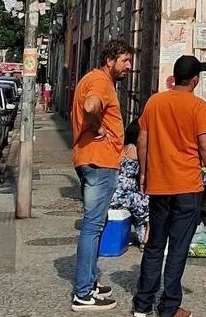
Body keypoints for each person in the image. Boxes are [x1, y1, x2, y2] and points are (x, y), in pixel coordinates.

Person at [132, 56, 206, 317]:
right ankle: (169, 307)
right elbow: (205, 145)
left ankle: (142, 304)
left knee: (154, 246)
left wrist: (144, 174)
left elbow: (142, 140)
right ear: (194, 80)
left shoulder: (154, 102)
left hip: (159, 186)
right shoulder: (197, 106)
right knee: (178, 249)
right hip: (187, 187)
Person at [70, 38, 134, 312]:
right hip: (99, 161)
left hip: (93, 160)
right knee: (93, 226)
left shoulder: (96, 79)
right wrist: (97, 128)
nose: (129, 66)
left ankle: (90, 282)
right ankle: (83, 293)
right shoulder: (100, 81)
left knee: (96, 222)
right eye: (124, 61)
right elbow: (90, 106)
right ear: (110, 60)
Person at [111, 120, 149, 247]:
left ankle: (142, 237)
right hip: (126, 194)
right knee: (149, 205)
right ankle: (146, 238)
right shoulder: (137, 150)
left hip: (114, 191)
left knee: (139, 205)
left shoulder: (122, 148)